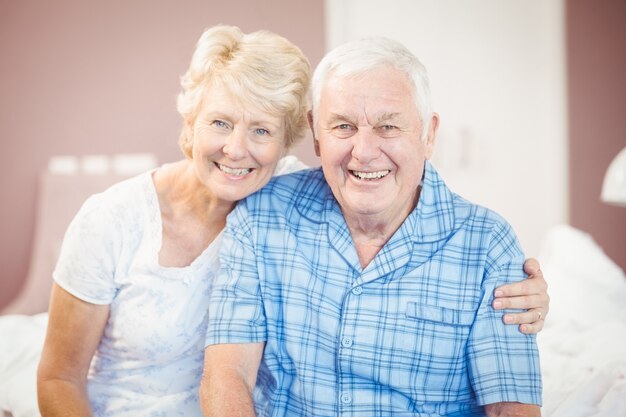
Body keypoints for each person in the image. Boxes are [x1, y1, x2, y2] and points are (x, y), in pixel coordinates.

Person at [201, 37, 543, 416]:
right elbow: (227, 373)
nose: (363, 152)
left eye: (388, 127)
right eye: (343, 126)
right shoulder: (263, 213)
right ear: (316, 132)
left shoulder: (486, 244)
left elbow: (510, 408)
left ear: (428, 134)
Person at [36, 25, 311, 416]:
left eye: (261, 130)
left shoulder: (290, 197)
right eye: (220, 122)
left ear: (285, 144)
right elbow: (58, 379)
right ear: (191, 121)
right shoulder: (110, 220)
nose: (235, 149)